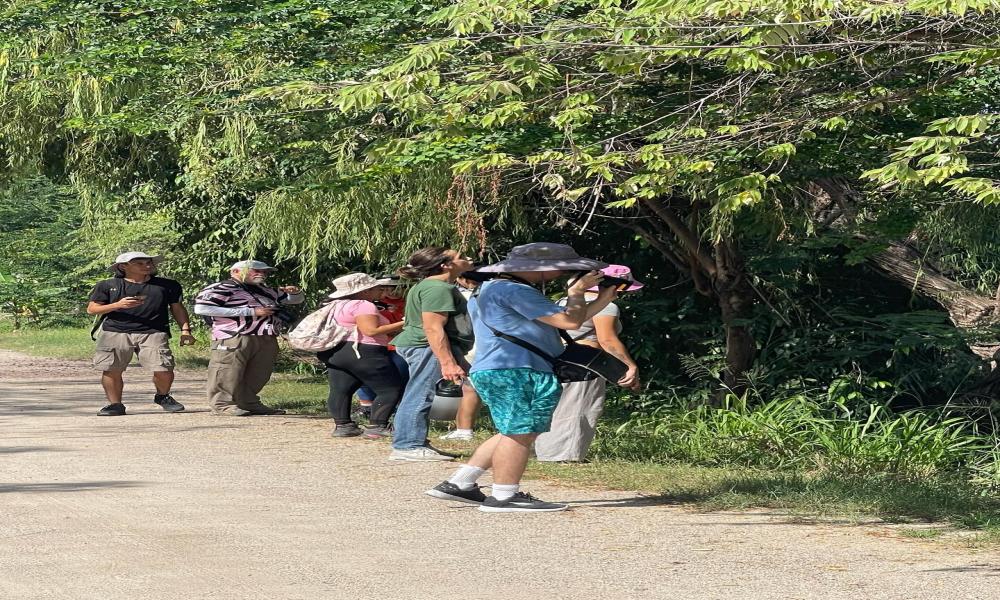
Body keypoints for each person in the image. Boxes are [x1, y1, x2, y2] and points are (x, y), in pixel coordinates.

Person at [426, 242, 616, 512]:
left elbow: (566, 318)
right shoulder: (515, 290)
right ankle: (504, 496)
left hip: (504, 368)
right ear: (540, 268)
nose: (563, 274)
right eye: (561, 268)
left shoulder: (493, 288)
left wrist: (603, 298)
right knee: (520, 432)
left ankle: (461, 483)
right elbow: (570, 322)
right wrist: (576, 292)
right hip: (517, 370)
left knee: (515, 430)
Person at [534, 264, 642, 462]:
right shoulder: (606, 306)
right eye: (622, 287)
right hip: (587, 363)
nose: (622, 293)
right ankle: (565, 455)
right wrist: (630, 366)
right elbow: (607, 340)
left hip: (559, 359)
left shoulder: (565, 301)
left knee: (557, 406)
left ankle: (547, 452)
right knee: (580, 407)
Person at [389, 247, 475, 461]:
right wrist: (447, 363)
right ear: (445, 265)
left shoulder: (432, 286)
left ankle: (413, 441)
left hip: (426, 346)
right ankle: (408, 446)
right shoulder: (437, 288)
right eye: (461, 257)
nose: (469, 258)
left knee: (418, 392)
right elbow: (433, 328)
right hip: (426, 346)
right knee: (420, 394)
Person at [87, 251, 195, 416]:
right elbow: (92, 309)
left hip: (154, 331)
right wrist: (118, 305)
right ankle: (115, 404)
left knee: (164, 368)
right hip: (115, 332)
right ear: (123, 266)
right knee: (111, 369)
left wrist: (185, 330)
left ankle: (162, 396)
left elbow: (177, 308)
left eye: (149, 262)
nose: (147, 266)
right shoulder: (107, 285)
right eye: (140, 263)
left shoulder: (168, 285)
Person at [194, 260, 303, 416]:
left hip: (266, 336)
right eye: (255, 270)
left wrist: (295, 293)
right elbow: (201, 308)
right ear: (235, 272)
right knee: (227, 370)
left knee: (259, 372)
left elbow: (295, 300)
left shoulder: (265, 290)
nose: (262, 274)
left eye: (264, 271)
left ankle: (249, 402)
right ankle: (222, 404)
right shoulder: (221, 288)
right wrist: (250, 311)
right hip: (234, 335)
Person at [316, 273, 405, 439]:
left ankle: (343, 425)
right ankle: (378, 426)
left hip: (338, 351)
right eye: (376, 288)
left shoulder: (336, 305)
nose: (381, 291)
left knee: (341, 389)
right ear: (365, 291)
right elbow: (370, 331)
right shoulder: (364, 305)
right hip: (365, 351)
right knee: (390, 389)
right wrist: (405, 323)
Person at [355, 274, 409, 419]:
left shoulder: (408, 302)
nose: (390, 291)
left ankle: (398, 406)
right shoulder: (371, 304)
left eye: (395, 287)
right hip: (376, 343)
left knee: (400, 374)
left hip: (398, 344)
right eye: (385, 288)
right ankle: (366, 405)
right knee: (366, 375)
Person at [438, 275, 483, 442]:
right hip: (489, 344)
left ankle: (464, 430)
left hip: (471, 345)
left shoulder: (458, 295)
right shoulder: (495, 293)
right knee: (472, 388)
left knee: (469, 388)